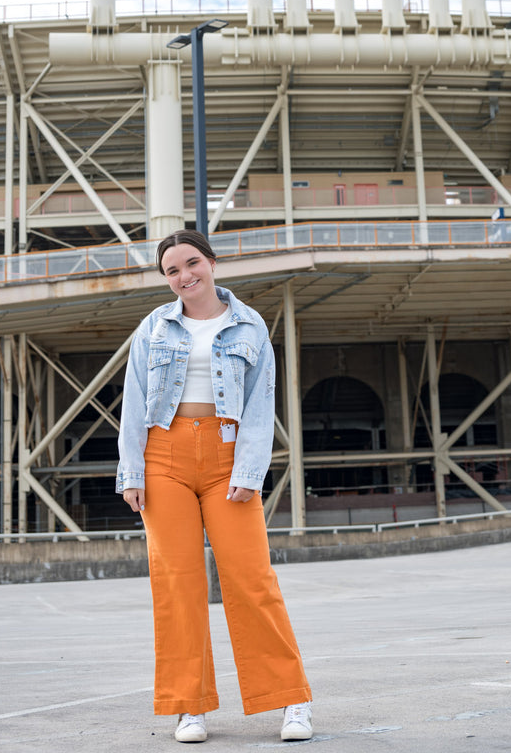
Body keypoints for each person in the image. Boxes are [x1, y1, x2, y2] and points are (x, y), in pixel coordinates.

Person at [117, 229, 313, 743]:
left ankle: (289, 701)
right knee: (178, 584)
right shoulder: (154, 326)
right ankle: (190, 706)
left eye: (192, 263)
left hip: (228, 456)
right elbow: (133, 402)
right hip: (164, 455)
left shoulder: (249, 325)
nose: (184, 276)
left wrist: (250, 472)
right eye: (172, 271)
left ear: (211, 262)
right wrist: (131, 474)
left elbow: (259, 403)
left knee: (252, 580)